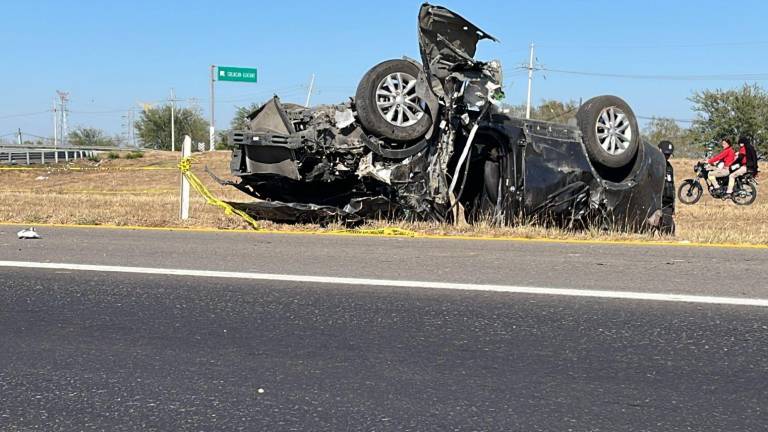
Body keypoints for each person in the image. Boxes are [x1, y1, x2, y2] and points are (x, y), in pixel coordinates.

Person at [658, 141, 675, 234]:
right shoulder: (653, 164)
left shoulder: (669, 167)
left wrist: (673, 205)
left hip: (667, 202)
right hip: (656, 202)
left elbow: (672, 185)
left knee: (668, 229)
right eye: (665, 154)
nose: (667, 156)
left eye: (669, 154)